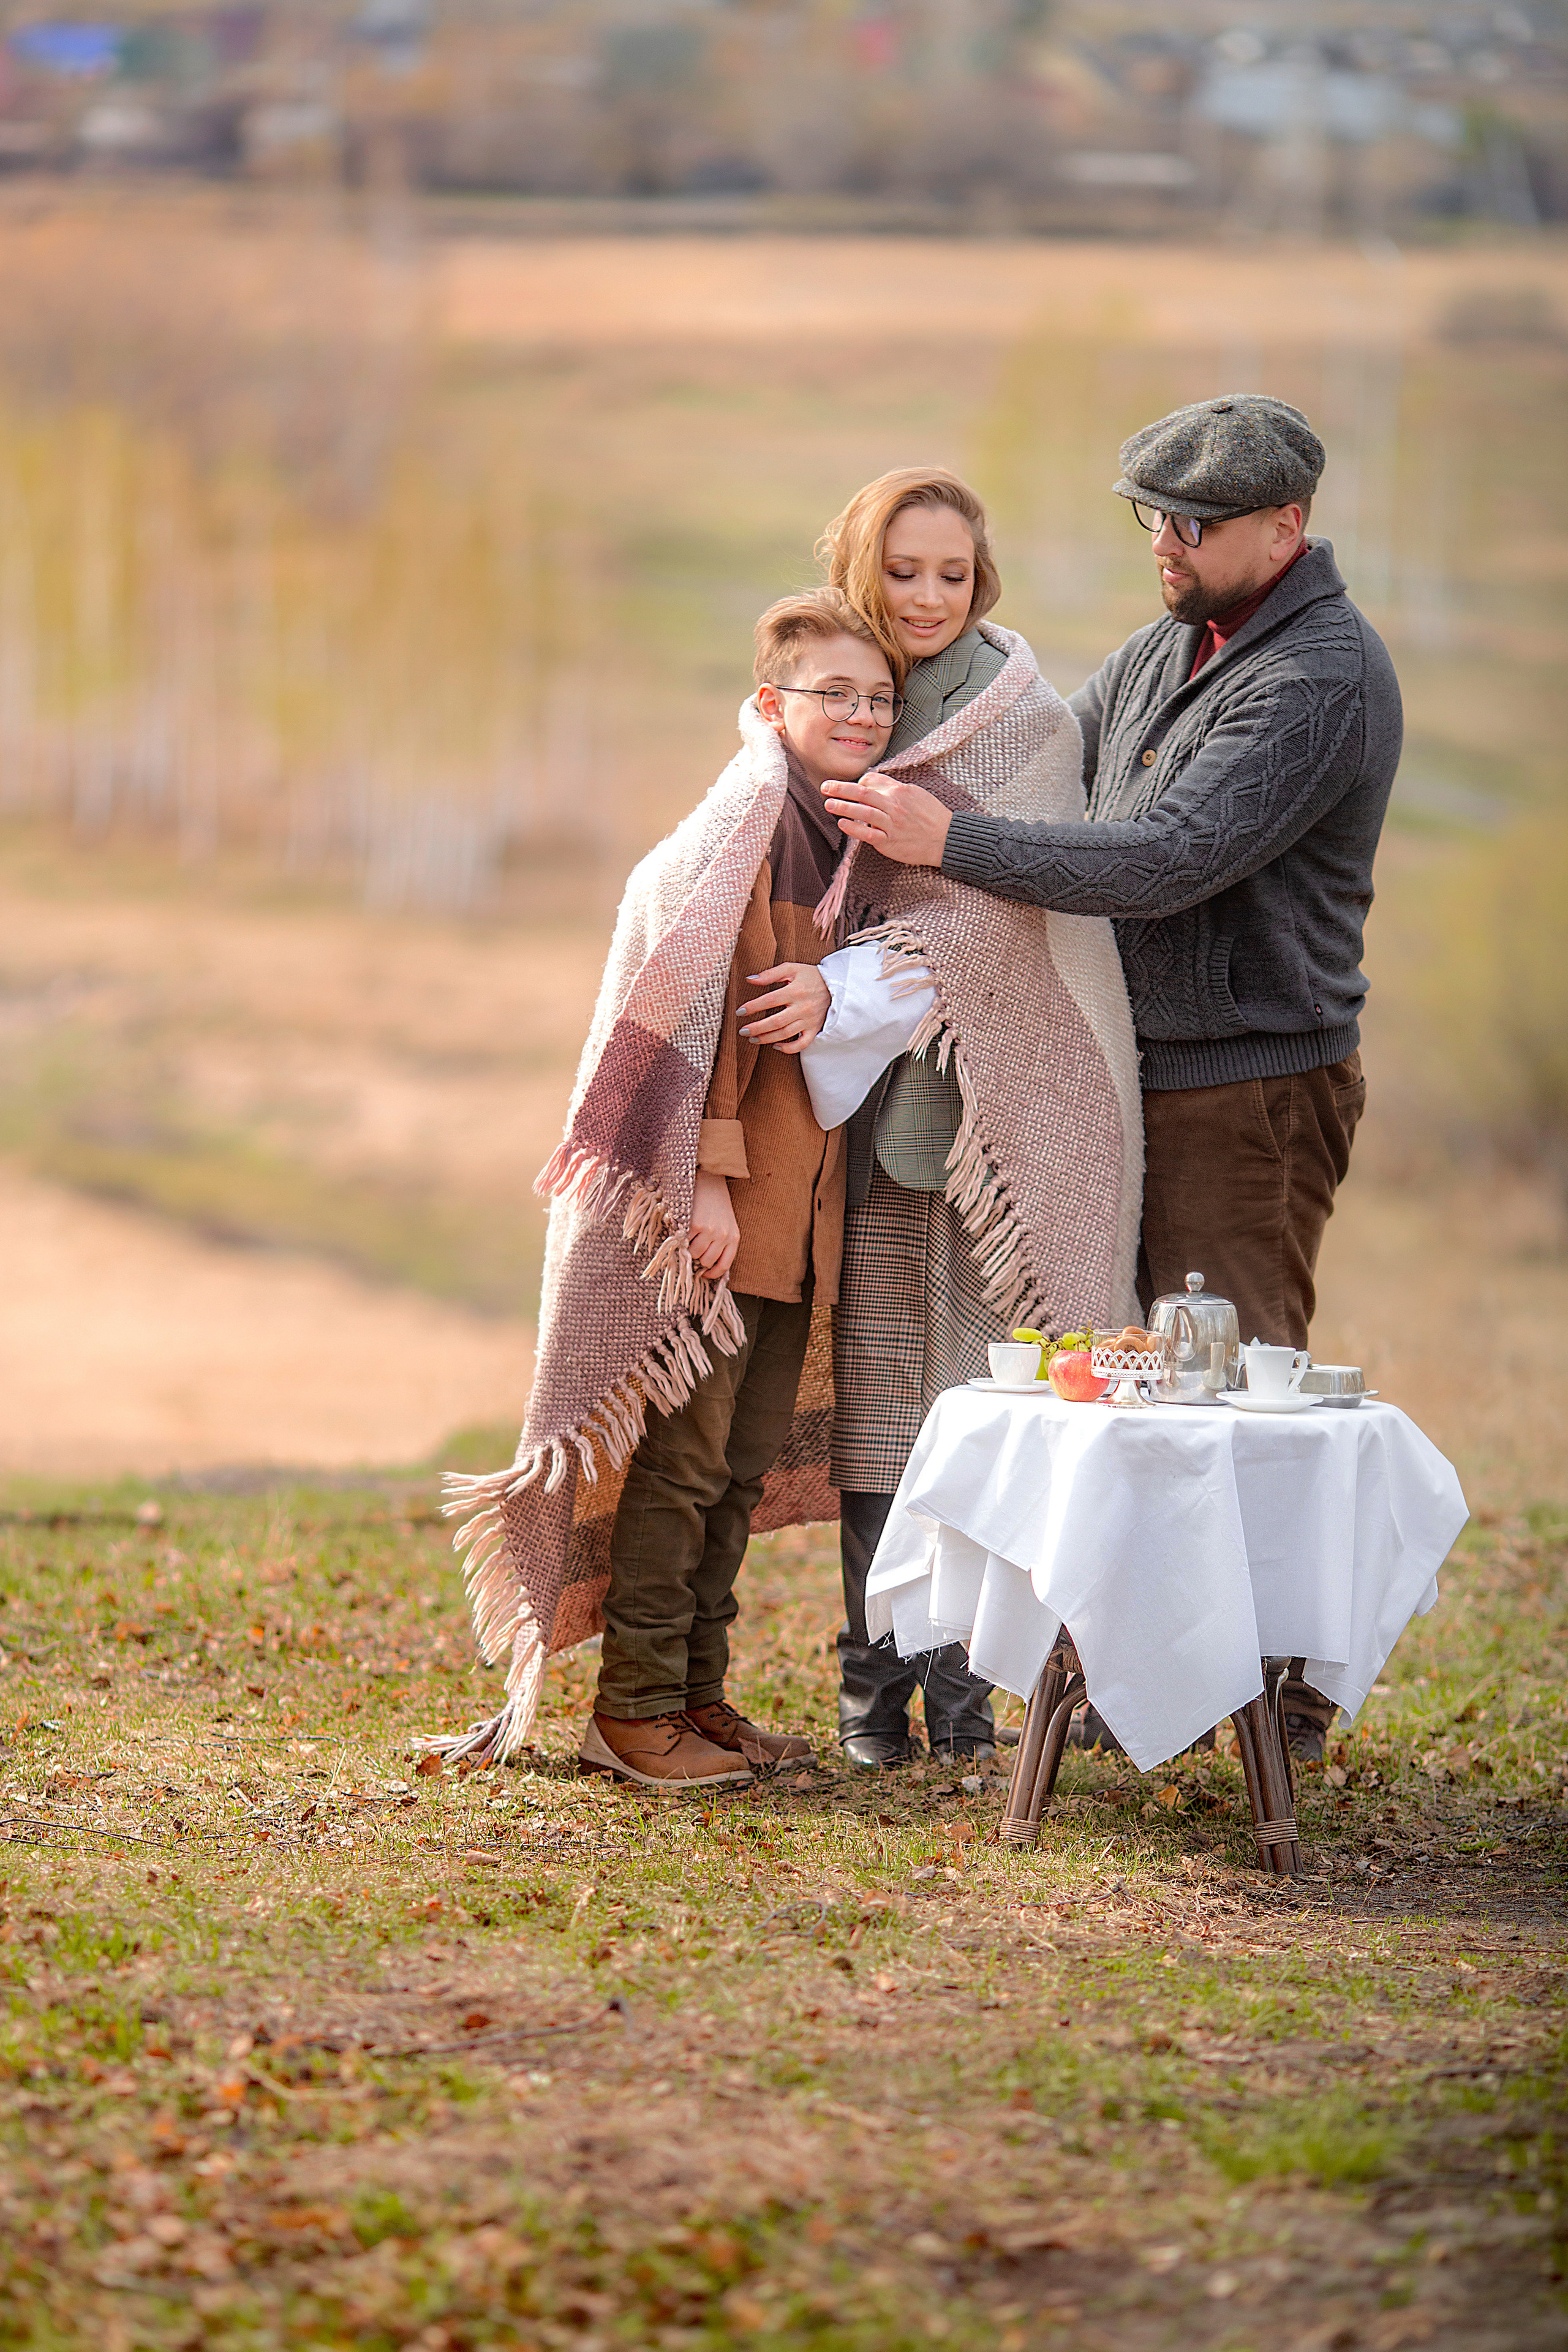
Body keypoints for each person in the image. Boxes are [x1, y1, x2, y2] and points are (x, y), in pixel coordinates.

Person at [821, 398, 1402, 1762]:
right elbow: (1065, 785)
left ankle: (1271, 1707)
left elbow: (1155, 861)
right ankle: (1155, 1683)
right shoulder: (1171, 644)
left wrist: (944, 838)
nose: (1166, 540)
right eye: (1151, 515)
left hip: (1248, 1089)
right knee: (1132, 1399)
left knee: (1232, 1395)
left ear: (1285, 528)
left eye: (1193, 523)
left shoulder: (1310, 678)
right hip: (1142, 1074)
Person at [431, 588, 897, 1786]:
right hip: (722, 1212)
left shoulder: (838, 836)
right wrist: (698, 1184)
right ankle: (631, 1717)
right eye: (830, 693)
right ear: (768, 703)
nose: (857, 713)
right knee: (684, 1464)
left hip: (799, 1214)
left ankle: (695, 1697)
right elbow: (689, 1032)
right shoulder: (736, 836)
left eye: (876, 697)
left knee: (736, 1470)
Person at [799, 467, 1144, 1769]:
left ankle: (965, 1697)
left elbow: (1022, 915)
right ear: (858, 569)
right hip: (866, 1118)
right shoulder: (839, 702)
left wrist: (905, 919)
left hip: (1002, 1126)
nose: (929, 597)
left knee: (985, 1406)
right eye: (902, 571)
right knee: (883, 1410)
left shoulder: (1024, 721)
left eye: (951, 573)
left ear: (980, 577)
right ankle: (870, 1688)